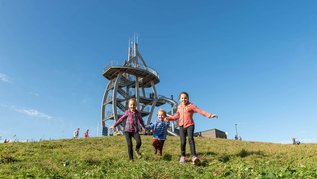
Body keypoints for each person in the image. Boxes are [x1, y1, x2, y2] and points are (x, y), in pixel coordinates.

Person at [165, 92, 218, 165]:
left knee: (190, 139)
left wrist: (210, 115)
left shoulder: (191, 105)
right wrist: (168, 118)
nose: (184, 99)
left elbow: (200, 111)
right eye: (182, 98)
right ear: (180, 99)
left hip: (190, 125)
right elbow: (176, 117)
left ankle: (194, 157)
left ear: (188, 98)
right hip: (181, 126)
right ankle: (183, 156)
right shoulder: (179, 107)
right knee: (183, 142)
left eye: (185, 98)